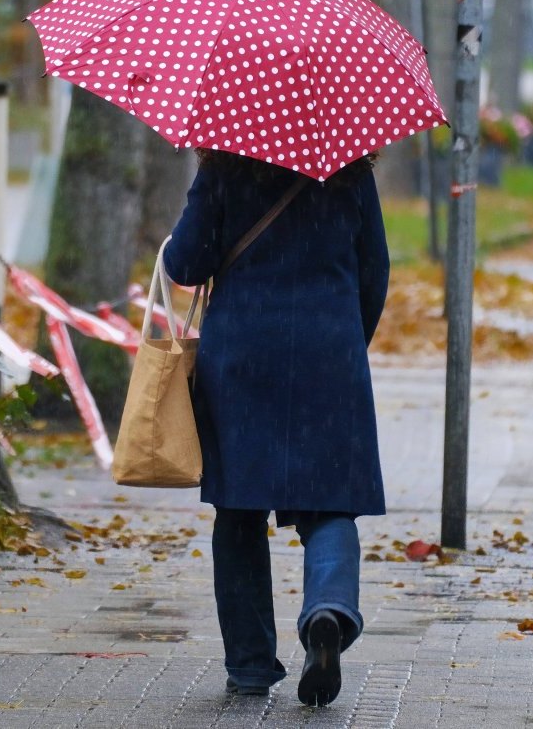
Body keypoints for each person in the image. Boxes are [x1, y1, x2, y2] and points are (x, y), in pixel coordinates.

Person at [162, 147, 389, 707]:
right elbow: (375, 272)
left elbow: (186, 265)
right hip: (328, 353)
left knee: (239, 513)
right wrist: (342, 339)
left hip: (242, 356)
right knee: (331, 504)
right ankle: (327, 613)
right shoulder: (349, 170)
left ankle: (250, 664)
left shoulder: (223, 171)